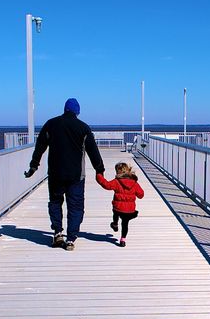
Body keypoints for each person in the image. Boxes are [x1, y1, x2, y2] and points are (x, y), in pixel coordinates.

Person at [24, 98, 105, 251]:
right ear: (77, 111)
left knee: (55, 202)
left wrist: (34, 165)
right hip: (76, 176)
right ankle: (71, 238)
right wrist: (99, 169)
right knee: (75, 206)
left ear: (65, 109)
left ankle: (57, 232)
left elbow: (40, 146)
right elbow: (92, 150)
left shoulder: (51, 124)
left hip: (55, 174)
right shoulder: (83, 128)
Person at [95, 162, 144, 247]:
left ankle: (115, 223)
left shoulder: (116, 182)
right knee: (125, 224)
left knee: (115, 211)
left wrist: (99, 175)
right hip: (129, 210)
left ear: (118, 172)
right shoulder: (134, 183)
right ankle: (123, 240)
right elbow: (141, 194)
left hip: (118, 208)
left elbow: (106, 185)